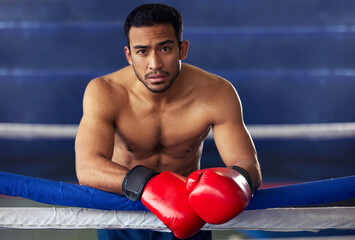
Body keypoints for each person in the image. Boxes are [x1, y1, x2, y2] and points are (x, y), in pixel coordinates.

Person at [75, 3, 262, 240]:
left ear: (182, 49)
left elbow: (246, 162)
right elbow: (88, 167)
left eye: (165, 49)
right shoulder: (105, 91)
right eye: (142, 51)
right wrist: (150, 183)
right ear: (129, 55)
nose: (154, 64)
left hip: (190, 214)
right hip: (123, 211)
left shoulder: (217, 93)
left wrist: (237, 183)